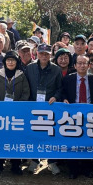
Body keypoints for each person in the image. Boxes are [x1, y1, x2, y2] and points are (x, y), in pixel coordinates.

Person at [60, 54, 93, 178]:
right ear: (74, 65)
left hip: (90, 114)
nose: (82, 65)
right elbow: (63, 93)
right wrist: (64, 99)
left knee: (88, 141)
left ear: (89, 65)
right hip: (73, 115)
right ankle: (73, 169)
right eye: (79, 63)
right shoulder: (68, 79)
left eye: (84, 63)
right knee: (73, 142)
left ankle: (88, 168)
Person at [0, 50, 30, 175]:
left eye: (13, 60)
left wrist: (18, 106)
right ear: (5, 62)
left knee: (16, 139)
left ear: (17, 62)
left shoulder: (21, 76)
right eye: (8, 60)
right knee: (0, 138)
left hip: (17, 114)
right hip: (1, 114)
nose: (10, 62)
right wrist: (0, 106)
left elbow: (26, 93)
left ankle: (15, 165)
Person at [25, 43, 63, 175]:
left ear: (50, 54)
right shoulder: (29, 68)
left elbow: (60, 88)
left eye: (46, 53)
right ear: (36, 54)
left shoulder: (56, 70)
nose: (44, 56)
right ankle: (35, 160)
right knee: (35, 134)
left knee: (51, 134)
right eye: (41, 53)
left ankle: (51, 161)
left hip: (50, 107)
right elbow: (26, 86)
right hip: (33, 107)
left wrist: (56, 97)